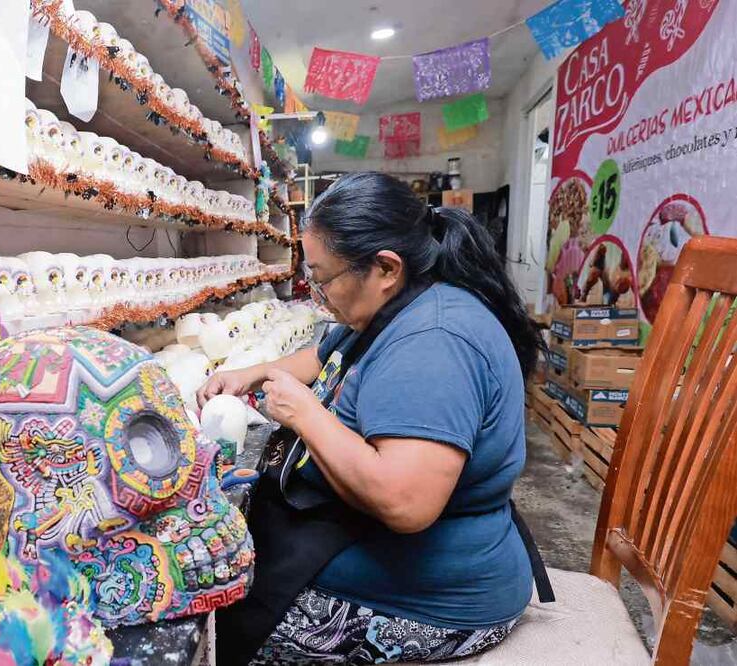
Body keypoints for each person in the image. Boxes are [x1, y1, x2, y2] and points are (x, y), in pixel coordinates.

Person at [204, 172, 548, 665]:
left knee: (210, 618)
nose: (319, 295)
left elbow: (405, 502)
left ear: (385, 267)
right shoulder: (391, 307)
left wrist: (306, 414)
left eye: (323, 280)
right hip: (388, 555)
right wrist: (253, 372)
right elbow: (324, 359)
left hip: (432, 600)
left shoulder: (433, 344)